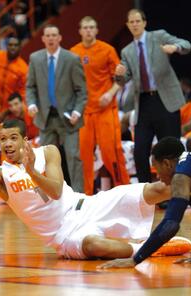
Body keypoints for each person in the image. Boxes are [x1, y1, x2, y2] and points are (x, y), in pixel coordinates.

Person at [0, 119, 191, 260]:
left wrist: (32, 172)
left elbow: (56, 192)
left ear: (24, 140)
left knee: (152, 191)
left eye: (13, 138)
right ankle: (153, 248)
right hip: (64, 236)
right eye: (3, 139)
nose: (7, 144)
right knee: (94, 246)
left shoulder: (47, 151)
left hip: (87, 205)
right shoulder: (3, 174)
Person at [98, 137, 191, 269]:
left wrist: (136, 259)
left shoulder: (181, 177)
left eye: (156, 169)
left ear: (167, 164)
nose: (157, 177)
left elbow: (170, 224)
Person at [115, 8, 191, 182]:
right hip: (143, 102)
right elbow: (122, 80)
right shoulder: (127, 51)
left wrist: (175, 47)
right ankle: (146, 192)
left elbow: (187, 45)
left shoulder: (158, 36)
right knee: (140, 150)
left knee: (172, 148)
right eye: (131, 22)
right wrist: (119, 74)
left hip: (165, 99)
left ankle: (178, 187)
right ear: (127, 25)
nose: (135, 24)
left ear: (144, 23)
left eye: (137, 21)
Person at [70, 16, 129, 195]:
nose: (88, 30)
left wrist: (110, 93)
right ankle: (85, 196)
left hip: (106, 110)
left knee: (111, 152)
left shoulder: (107, 50)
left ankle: (124, 190)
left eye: (92, 27)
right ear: (80, 31)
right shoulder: (73, 52)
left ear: (96, 30)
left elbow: (121, 77)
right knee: (84, 157)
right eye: (85, 27)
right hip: (84, 113)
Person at [26, 24, 87, 192]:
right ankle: (49, 196)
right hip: (45, 117)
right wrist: (31, 104)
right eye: (48, 35)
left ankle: (78, 196)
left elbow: (82, 90)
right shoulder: (35, 59)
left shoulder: (72, 59)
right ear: (43, 39)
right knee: (44, 159)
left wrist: (77, 111)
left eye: (54, 35)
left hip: (68, 118)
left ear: (60, 38)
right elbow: (30, 87)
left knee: (73, 157)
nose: (51, 38)